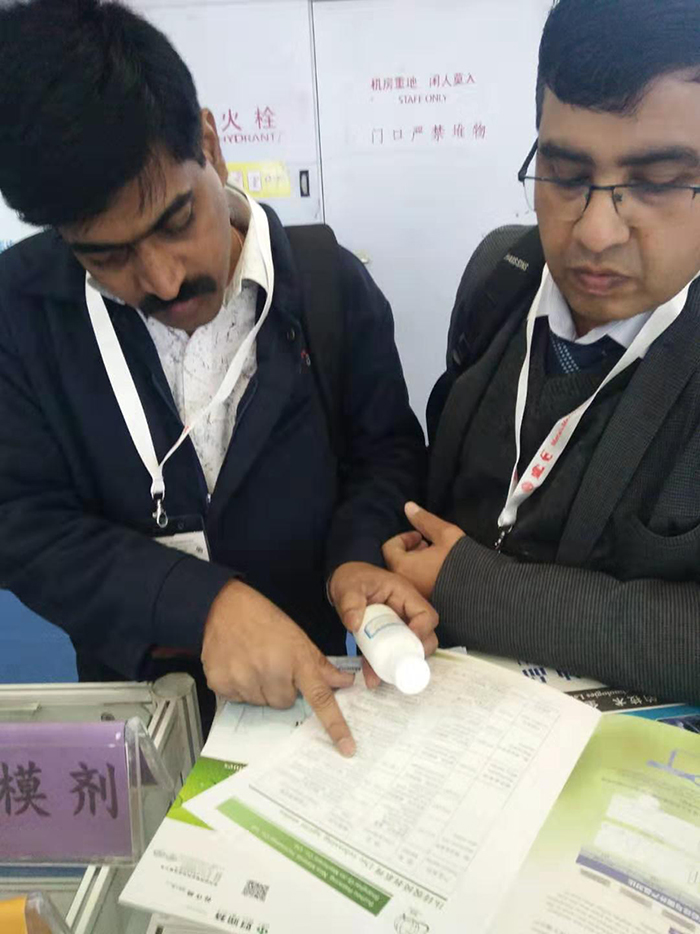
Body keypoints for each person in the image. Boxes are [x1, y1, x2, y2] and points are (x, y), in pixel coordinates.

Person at [0, 0, 437, 752]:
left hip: (316, 692)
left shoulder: (330, 286)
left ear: (209, 143)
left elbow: (385, 458)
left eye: (175, 222)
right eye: (107, 257)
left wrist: (357, 558)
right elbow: (22, 522)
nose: (163, 280)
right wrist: (199, 604)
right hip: (135, 706)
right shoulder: (21, 311)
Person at [384, 0, 700, 706]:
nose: (595, 234)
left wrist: (478, 590)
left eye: (655, 183)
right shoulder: (500, 273)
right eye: (565, 174)